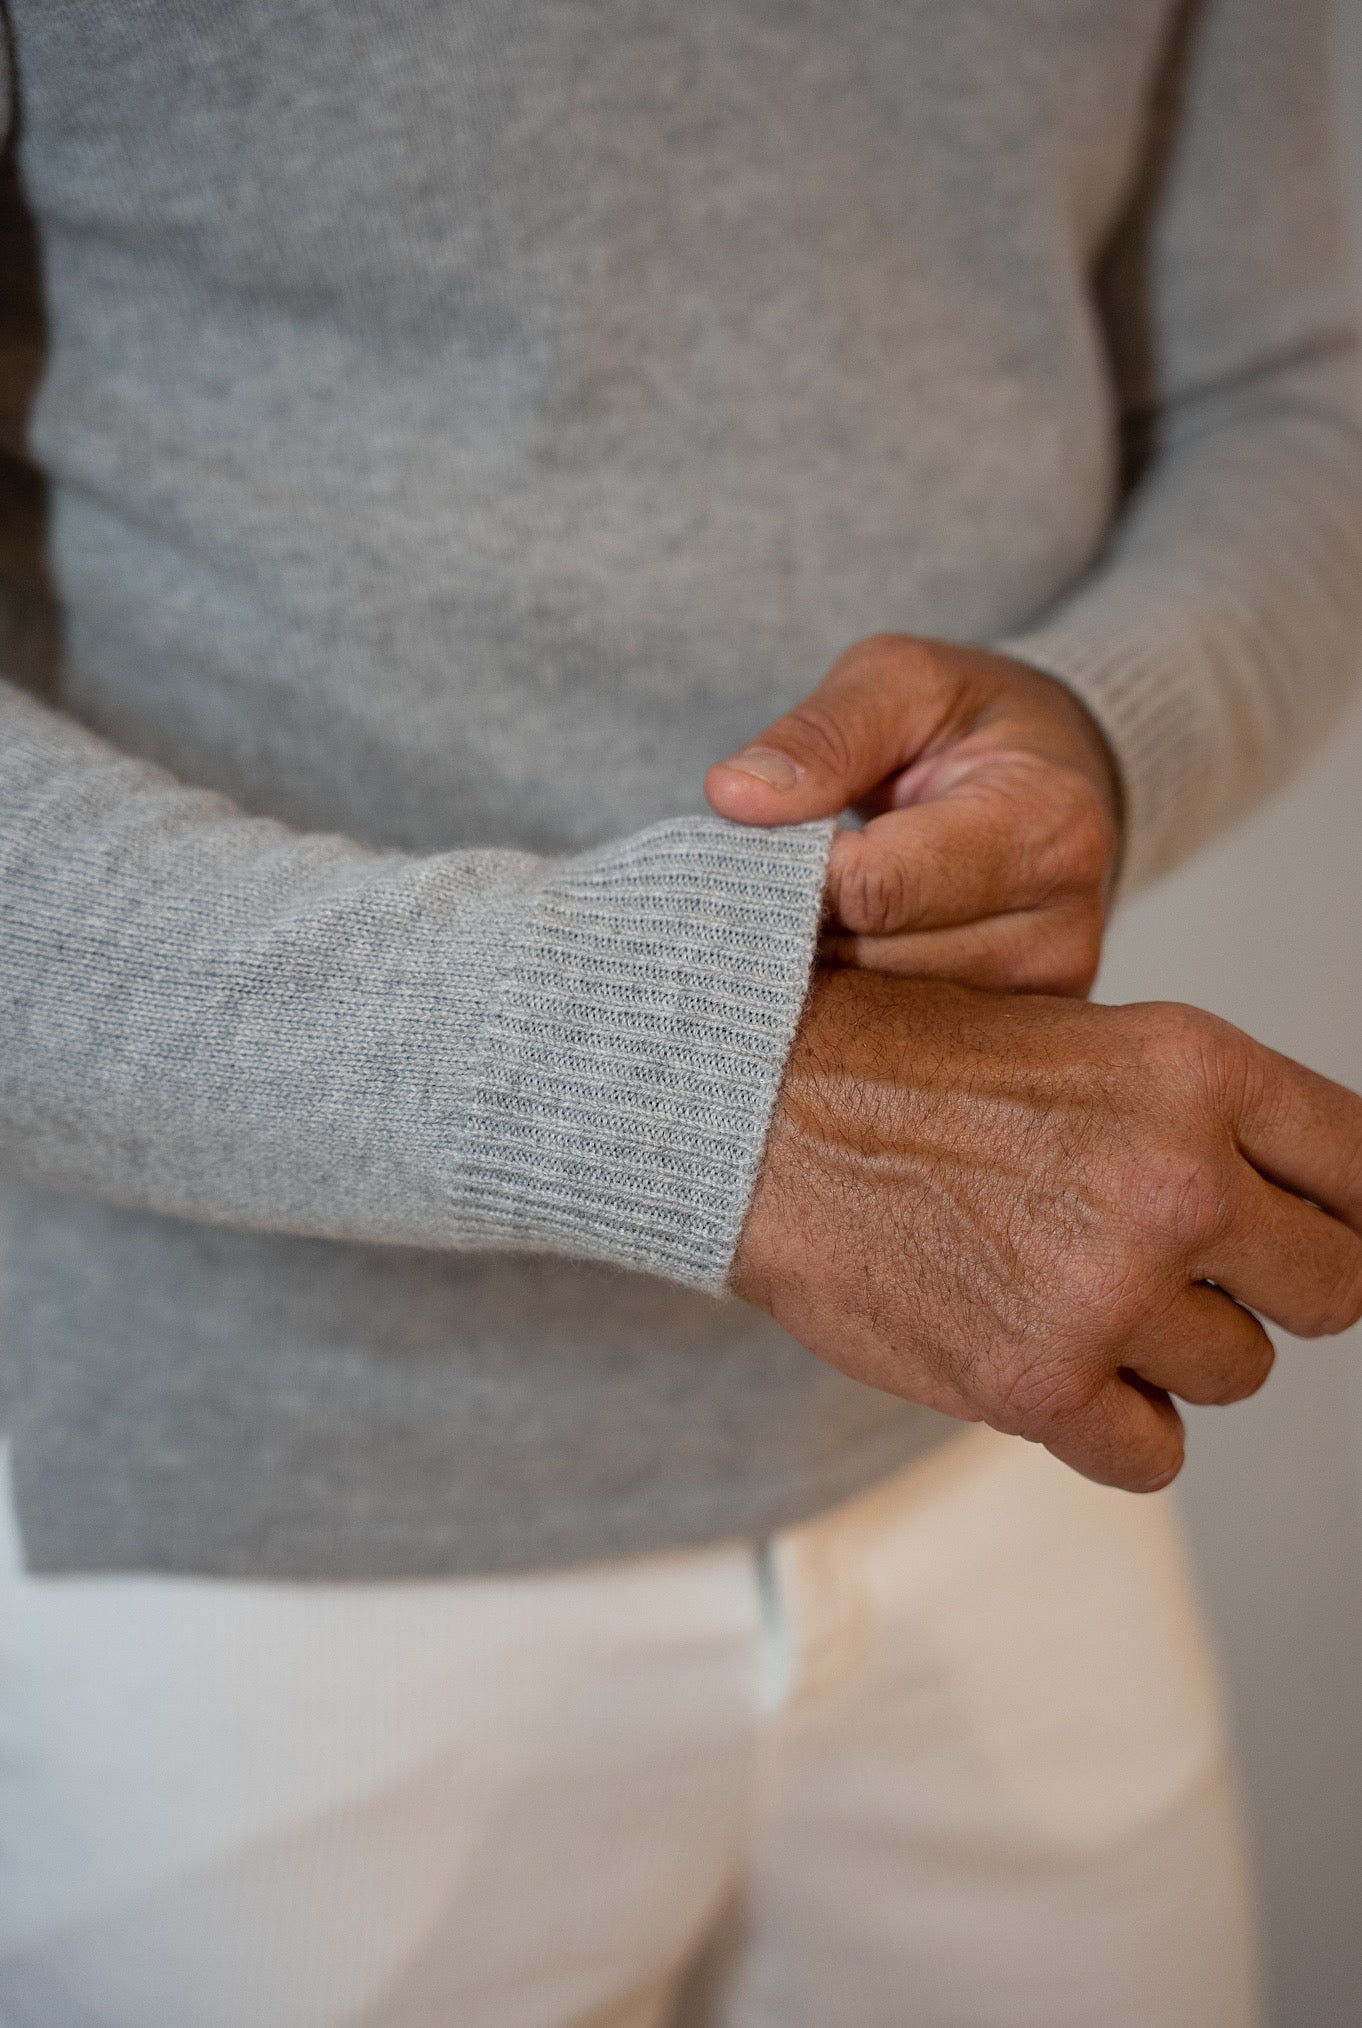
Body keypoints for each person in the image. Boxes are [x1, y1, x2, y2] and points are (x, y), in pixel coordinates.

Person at [1, 2, 1360, 2023]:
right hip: (255, 1570)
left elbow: (1282, 394)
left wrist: (1101, 727)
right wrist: (684, 1082)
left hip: (998, 1430)